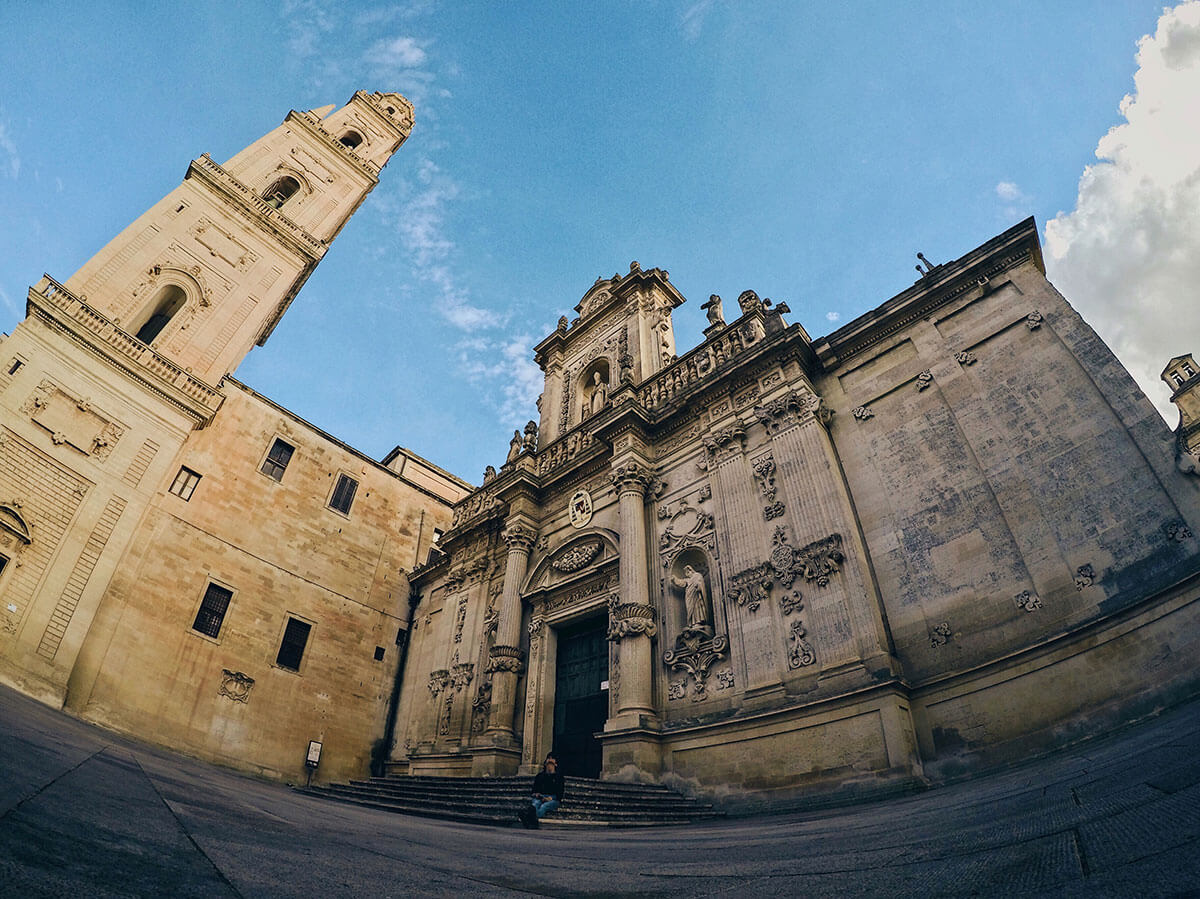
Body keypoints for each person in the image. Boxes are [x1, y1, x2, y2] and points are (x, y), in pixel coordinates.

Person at [518, 754, 564, 828]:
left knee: (544, 806)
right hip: (540, 797)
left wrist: (550, 798)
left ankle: (529, 818)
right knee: (535, 804)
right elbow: (533, 791)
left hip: (553, 798)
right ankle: (532, 822)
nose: (550, 760)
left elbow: (560, 794)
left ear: (556, 764)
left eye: (552, 760)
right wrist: (537, 794)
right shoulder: (540, 776)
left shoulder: (559, 777)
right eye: (548, 758)